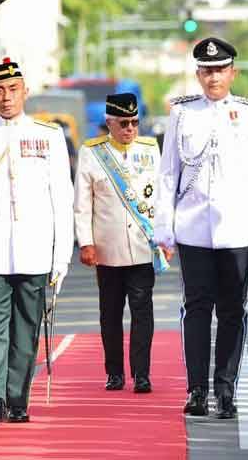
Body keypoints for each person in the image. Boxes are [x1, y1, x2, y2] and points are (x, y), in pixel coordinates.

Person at [154, 37, 248, 419]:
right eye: (206, 70)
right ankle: (196, 390)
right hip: (193, 228)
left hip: (237, 228)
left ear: (232, 73)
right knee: (196, 309)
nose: (213, 77)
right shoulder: (182, 114)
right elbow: (168, 173)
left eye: (220, 70)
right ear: (198, 74)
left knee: (232, 310)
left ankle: (226, 390)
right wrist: (164, 226)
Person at [0, 58, 74, 428]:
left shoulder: (49, 136)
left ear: (25, 92)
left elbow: (61, 199)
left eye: (13, 90)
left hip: (35, 249)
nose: (6, 98)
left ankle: (19, 399)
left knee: (27, 328)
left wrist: (61, 255)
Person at [74, 93, 162, 394]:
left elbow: (160, 198)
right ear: (109, 123)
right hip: (107, 249)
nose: (130, 129)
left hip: (141, 246)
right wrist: (85, 242)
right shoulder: (92, 153)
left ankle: (142, 373)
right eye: (123, 123)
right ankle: (114, 372)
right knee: (110, 313)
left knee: (142, 312)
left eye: (135, 122)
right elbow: (82, 204)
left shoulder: (150, 150)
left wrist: (165, 237)